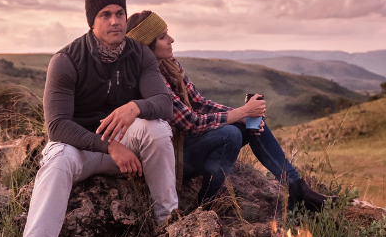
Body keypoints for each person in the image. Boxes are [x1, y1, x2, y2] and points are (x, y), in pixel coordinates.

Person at [15, 0, 177, 237]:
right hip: (82, 149)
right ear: (93, 22)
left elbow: (164, 103)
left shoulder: (139, 53)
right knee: (57, 160)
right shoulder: (66, 60)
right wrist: (109, 146)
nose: (115, 21)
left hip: (127, 146)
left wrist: (136, 107)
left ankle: (167, 227)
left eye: (120, 14)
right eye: (106, 15)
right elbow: (58, 127)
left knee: (156, 130)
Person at [124, 11, 330, 211]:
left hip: (188, 145)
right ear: (148, 46)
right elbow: (191, 122)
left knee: (252, 123)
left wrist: (244, 113)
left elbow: (199, 103)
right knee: (230, 134)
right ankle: (206, 205)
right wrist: (241, 113)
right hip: (172, 158)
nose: (171, 39)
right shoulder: (149, 80)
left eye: (167, 33)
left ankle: (297, 189)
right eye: (162, 37)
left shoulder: (171, 66)